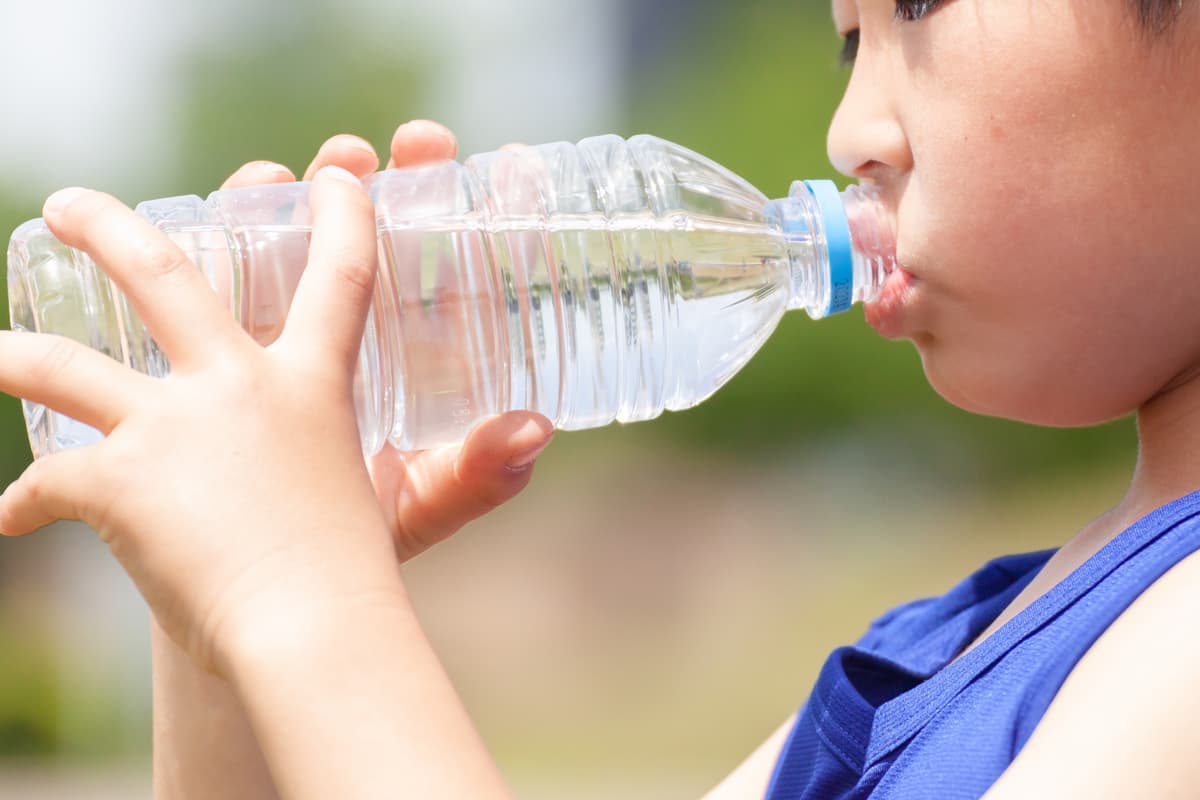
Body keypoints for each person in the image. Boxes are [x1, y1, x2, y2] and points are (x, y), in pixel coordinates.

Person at [2, 0, 1199, 796]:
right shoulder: (944, 651)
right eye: (848, 43)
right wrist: (216, 630)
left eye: (921, 6)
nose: (847, 132)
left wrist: (299, 601)